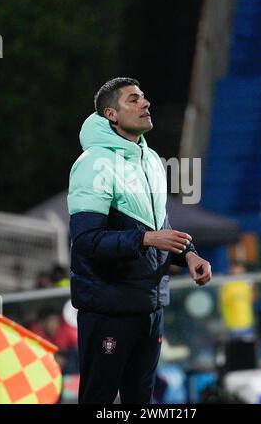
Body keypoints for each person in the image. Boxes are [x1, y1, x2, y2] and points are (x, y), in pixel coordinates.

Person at [67, 77, 212, 404]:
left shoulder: (152, 161)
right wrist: (147, 238)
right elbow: (87, 241)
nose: (145, 103)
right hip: (109, 310)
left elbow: (160, 226)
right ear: (111, 114)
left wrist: (188, 255)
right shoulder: (93, 164)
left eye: (144, 98)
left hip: (150, 307)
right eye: (133, 99)